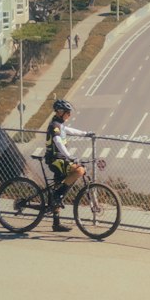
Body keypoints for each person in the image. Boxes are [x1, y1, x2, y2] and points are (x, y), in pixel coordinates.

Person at [44, 99, 91, 232]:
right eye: (68, 113)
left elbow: (70, 130)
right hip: (55, 160)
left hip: (60, 159)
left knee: (59, 186)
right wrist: (69, 156)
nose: (69, 115)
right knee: (79, 170)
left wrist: (85, 134)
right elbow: (58, 141)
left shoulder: (60, 125)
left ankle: (56, 223)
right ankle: (58, 196)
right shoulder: (54, 125)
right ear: (60, 112)